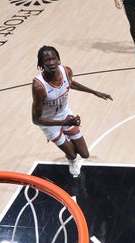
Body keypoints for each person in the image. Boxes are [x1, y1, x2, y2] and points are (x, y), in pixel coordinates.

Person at [31, 45, 113, 176]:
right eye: (47, 60)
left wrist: (94, 92)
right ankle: (71, 158)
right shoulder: (38, 86)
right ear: (41, 63)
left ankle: (67, 138)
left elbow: (70, 83)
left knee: (85, 154)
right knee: (73, 154)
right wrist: (63, 123)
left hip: (65, 113)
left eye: (54, 58)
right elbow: (36, 120)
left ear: (58, 59)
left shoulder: (66, 71)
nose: (51, 62)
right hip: (48, 122)